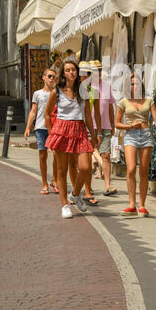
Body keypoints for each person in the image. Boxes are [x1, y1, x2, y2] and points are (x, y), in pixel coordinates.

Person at [44, 58, 97, 219]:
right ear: (63, 73)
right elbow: (47, 114)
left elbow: (88, 115)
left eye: (73, 70)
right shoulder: (57, 91)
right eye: (67, 70)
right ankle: (64, 205)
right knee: (62, 169)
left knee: (86, 167)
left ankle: (75, 194)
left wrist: (94, 135)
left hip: (79, 130)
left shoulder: (83, 91)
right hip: (62, 129)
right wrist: (51, 132)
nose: (71, 72)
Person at [115, 73, 156, 217]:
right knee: (131, 169)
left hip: (146, 135)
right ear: (128, 86)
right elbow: (117, 124)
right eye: (132, 84)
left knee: (144, 170)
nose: (135, 86)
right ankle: (132, 204)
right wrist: (131, 127)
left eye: (137, 83)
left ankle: (142, 205)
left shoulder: (149, 100)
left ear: (141, 85)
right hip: (130, 136)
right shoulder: (123, 102)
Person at [24, 67, 58, 195]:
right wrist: (28, 127)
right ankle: (44, 183)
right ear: (43, 77)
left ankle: (55, 181)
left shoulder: (58, 92)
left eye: (54, 77)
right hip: (40, 127)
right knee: (42, 156)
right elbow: (33, 111)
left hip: (55, 128)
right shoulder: (37, 93)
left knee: (56, 155)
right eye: (49, 76)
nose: (51, 79)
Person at [90, 60, 117, 197]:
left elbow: (110, 106)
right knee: (89, 156)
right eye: (95, 70)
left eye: (99, 70)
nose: (97, 73)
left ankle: (107, 186)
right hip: (90, 126)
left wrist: (112, 124)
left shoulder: (106, 86)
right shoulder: (87, 87)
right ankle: (88, 188)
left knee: (106, 155)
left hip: (105, 126)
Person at [78, 60, 102, 206]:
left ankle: (87, 191)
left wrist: (98, 132)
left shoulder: (94, 91)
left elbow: (96, 113)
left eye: (89, 73)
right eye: (83, 73)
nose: (86, 76)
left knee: (86, 162)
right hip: (72, 128)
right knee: (75, 164)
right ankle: (76, 191)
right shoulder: (72, 90)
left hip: (87, 128)